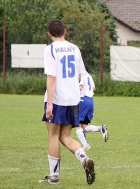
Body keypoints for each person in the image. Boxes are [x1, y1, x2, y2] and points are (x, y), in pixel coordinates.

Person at [39, 19, 95, 185]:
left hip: (57, 99)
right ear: (65, 31)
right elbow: (79, 75)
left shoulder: (50, 49)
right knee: (65, 136)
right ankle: (84, 158)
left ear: (49, 34)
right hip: (73, 99)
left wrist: (49, 104)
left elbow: (51, 77)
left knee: (53, 136)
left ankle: (54, 177)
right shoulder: (75, 48)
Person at [75, 70, 109, 150]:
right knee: (83, 126)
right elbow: (93, 88)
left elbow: (80, 86)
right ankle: (100, 128)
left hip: (82, 100)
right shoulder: (88, 75)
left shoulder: (78, 73)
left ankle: (86, 145)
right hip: (90, 100)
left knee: (76, 124)